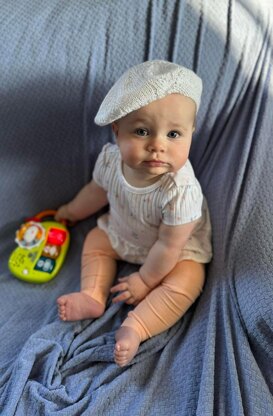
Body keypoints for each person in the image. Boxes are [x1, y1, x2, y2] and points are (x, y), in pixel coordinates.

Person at [55, 60, 212, 367]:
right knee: (96, 240)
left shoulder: (181, 190)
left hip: (175, 252)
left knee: (190, 279)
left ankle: (136, 327)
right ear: (117, 130)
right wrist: (69, 212)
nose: (157, 146)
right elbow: (95, 193)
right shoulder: (111, 162)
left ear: (192, 132)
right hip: (123, 231)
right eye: (142, 131)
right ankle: (92, 296)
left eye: (174, 135)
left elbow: (170, 246)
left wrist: (144, 279)